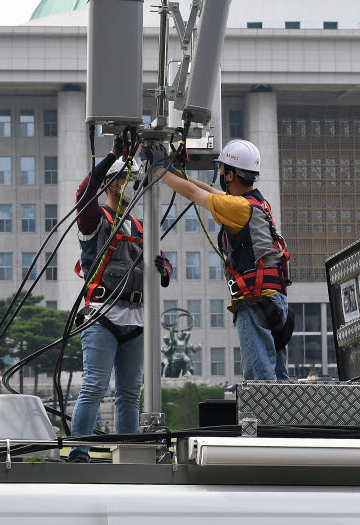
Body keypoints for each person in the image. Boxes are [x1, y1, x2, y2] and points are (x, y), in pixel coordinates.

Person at [148, 139, 292, 380]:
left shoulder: (237, 207)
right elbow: (206, 189)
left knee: (260, 379)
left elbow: (194, 194)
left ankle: (265, 419)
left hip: (255, 302)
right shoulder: (256, 203)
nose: (222, 174)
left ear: (231, 175)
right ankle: (282, 418)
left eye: (224, 169)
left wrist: (157, 170)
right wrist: (170, 169)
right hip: (274, 301)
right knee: (277, 376)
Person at [67, 137, 171, 463]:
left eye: (133, 178)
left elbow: (163, 262)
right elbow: (84, 193)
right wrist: (114, 155)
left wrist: (164, 270)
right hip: (103, 316)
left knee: (129, 395)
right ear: (111, 184)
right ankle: (79, 453)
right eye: (125, 178)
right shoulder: (96, 220)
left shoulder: (142, 225)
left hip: (137, 319)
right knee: (94, 388)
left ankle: (128, 455)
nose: (132, 185)